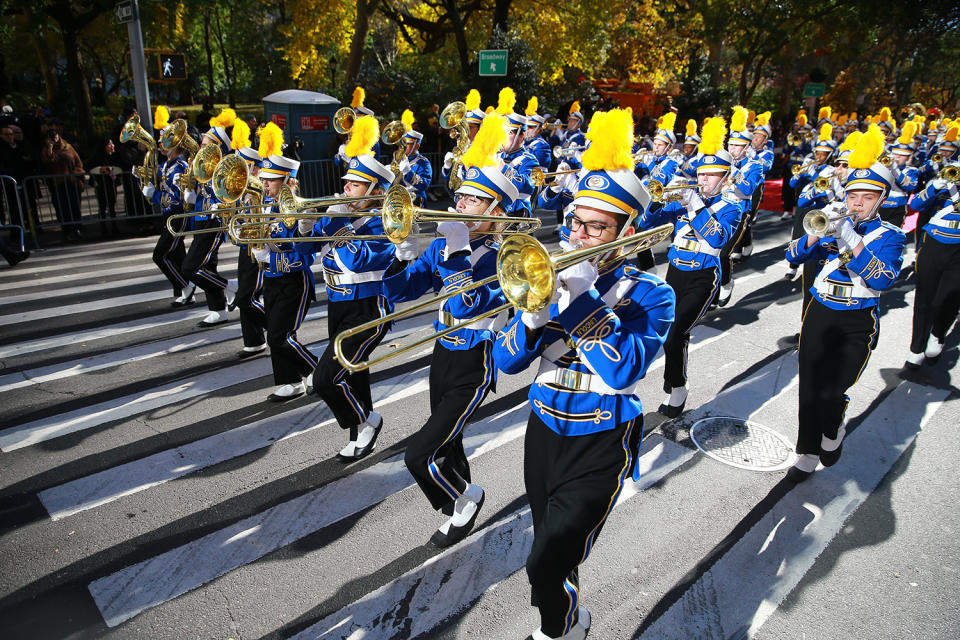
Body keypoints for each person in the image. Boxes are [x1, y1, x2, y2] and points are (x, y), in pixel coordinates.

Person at [493, 108, 675, 640]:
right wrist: (532, 311)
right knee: (548, 546)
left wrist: (579, 299)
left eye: (597, 227)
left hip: (601, 440)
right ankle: (560, 602)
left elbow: (623, 372)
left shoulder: (650, 294)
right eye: (576, 221)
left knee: (544, 564)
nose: (579, 234)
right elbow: (505, 364)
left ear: (626, 233)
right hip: (542, 431)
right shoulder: (548, 278)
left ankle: (565, 626)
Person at [384, 112, 517, 547]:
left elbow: (468, 302)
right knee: (450, 443)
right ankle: (461, 506)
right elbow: (402, 291)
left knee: (419, 454)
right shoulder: (444, 246)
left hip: (474, 364)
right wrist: (400, 256)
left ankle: (466, 497)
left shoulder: (508, 260)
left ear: (495, 210)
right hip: (441, 355)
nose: (458, 206)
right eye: (459, 197)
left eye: (471, 201)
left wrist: (459, 252)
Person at [783, 124, 905, 482]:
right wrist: (815, 235)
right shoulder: (832, 224)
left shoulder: (891, 236)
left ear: (881, 199)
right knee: (810, 386)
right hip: (820, 312)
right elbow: (792, 255)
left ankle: (834, 423)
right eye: (853, 196)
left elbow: (882, 278)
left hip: (857, 321)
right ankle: (806, 450)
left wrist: (850, 240)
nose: (857, 203)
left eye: (867, 197)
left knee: (833, 389)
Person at [307, 115, 397, 460]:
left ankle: (367, 420)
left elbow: (360, 260)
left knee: (325, 379)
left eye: (354, 185)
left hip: (367, 310)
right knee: (355, 376)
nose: (345, 188)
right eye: (346, 182)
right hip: (337, 304)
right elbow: (303, 251)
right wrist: (302, 225)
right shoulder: (338, 213)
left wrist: (338, 221)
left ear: (374, 190)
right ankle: (359, 431)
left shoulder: (384, 224)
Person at [639, 117, 742, 417]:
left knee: (675, 333)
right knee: (668, 332)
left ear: (725, 179)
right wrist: (657, 199)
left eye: (712, 175)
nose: (705, 180)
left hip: (703, 277)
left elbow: (718, 238)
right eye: (702, 174)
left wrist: (694, 204)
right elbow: (648, 222)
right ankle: (675, 382)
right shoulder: (686, 199)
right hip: (675, 274)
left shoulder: (731, 207)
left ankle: (678, 388)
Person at [252, 153, 320, 401]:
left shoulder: (300, 208)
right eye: (263, 179)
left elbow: (305, 257)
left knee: (279, 335)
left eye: (270, 180)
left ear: (287, 181)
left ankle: (316, 370)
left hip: (293, 282)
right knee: (276, 332)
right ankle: (290, 381)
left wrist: (270, 258)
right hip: (271, 279)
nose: (265, 184)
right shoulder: (266, 206)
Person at [180, 123, 238, 326]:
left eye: (207, 145)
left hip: (213, 223)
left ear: (218, 148)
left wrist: (219, 204)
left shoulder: (226, 168)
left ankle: (229, 286)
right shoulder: (204, 167)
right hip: (200, 220)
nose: (201, 148)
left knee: (190, 268)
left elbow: (234, 194)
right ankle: (218, 310)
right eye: (202, 144)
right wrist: (190, 194)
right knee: (208, 265)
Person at [904, 163, 960, 368]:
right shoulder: (947, 178)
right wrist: (936, 186)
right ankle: (916, 348)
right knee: (924, 299)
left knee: (950, 297)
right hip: (934, 244)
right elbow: (916, 206)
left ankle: (937, 333)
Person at [715, 106, 765, 306]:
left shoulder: (755, 166)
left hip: (738, 212)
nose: (732, 149)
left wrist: (734, 174)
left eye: (737, 146)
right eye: (730, 145)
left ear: (746, 147)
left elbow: (749, 188)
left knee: (724, 252)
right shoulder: (722, 161)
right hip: (719, 208)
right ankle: (710, 289)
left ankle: (726, 282)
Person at [231, 121, 269, 359]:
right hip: (246, 246)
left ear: (253, 167)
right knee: (247, 295)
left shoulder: (261, 187)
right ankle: (253, 341)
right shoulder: (244, 189)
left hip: (261, 249)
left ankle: (275, 327)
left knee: (246, 296)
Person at [146, 131, 194, 306]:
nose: (160, 145)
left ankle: (185, 286)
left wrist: (155, 195)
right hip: (167, 215)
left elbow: (176, 196)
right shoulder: (165, 165)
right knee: (178, 254)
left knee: (160, 255)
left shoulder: (180, 166)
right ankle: (186, 290)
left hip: (177, 215)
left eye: (164, 142)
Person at [784, 123, 836, 280]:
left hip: (819, 208)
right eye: (817, 153)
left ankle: (811, 269)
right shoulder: (809, 162)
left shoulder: (831, 171)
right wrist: (801, 174)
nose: (818, 157)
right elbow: (792, 184)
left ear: (829, 156)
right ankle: (793, 266)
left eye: (822, 154)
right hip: (803, 207)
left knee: (813, 239)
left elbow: (827, 192)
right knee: (797, 235)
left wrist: (813, 175)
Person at [731, 111, 775, 261]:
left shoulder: (767, 153)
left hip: (756, 187)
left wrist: (754, 155)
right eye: (754, 135)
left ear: (765, 139)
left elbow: (767, 167)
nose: (755, 138)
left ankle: (744, 243)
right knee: (737, 215)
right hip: (737, 184)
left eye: (759, 137)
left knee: (747, 217)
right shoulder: (744, 149)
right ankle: (740, 244)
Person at [496, 88, 539, 218]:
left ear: (522, 135)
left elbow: (527, 186)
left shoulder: (529, 160)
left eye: (509, 133)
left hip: (517, 217)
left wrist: (503, 168)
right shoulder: (498, 156)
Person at [40, 129, 85, 241]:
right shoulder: (46, 150)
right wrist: (50, 150)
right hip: (57, 183)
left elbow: (78, 162)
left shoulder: (68, 147)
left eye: (55, 136)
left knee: (74, 206)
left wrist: (77, 174)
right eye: (51, 137)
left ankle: (76, 229)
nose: (54, 139)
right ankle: (66, 231)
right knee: (62, 208)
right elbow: (47, 163)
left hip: (71, 181)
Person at [878, 121, 920, 229]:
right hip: (879, 205)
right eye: (896, 153)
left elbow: (909, 185)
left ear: (909, 157)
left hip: (897, 208)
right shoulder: (884, 165)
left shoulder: (911, 170)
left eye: (902, 155)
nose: (898, 157)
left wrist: (894, 169)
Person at [395, 109, 433, 207]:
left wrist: (409, 173)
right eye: (402, 143)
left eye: (407, 144)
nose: (403, 147)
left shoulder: (423, 162)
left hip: (415, 199)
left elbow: (424, 184)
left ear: (417, 145)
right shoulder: (398, 159)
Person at [89, 136, 121, 236]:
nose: (112, 146)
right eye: (109, 144)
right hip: (101, 185)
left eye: (112, 144)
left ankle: (114, 227)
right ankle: (103, 228)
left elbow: (120, 168)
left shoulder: (114, 156)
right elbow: (90, 167)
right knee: (102, 207)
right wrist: (101, 169)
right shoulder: (97, 157)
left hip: (111, 184)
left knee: (112, 206)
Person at [523, 97, 551, 169]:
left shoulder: (543, 146)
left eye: (530, 127)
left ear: (538, 129)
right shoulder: (522, 141)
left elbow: (535, 166)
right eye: (526, 127)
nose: (527, 129)